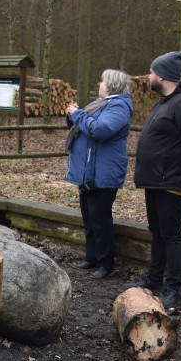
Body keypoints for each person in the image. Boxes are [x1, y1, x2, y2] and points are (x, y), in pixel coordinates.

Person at [127, 51, 181, 308]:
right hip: (156, 180)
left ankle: (173, 288)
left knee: (172, 234)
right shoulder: (165, 101)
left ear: (161, 75)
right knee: (157, 231)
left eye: (151, 72)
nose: (148, 76)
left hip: (171, 180)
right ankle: (154, 279)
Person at [64, 69, 134, 280]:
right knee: (89, 217)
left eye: (102, 81)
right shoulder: (101, 103)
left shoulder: (119, 106)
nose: (100, 83)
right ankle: (92, 257)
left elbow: (100, 130)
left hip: (103, 174)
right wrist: (72, 116)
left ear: (111, 86)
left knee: (100, 219)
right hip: (89, 173)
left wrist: (78, 114)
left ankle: (106, 263)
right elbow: (83, 126)